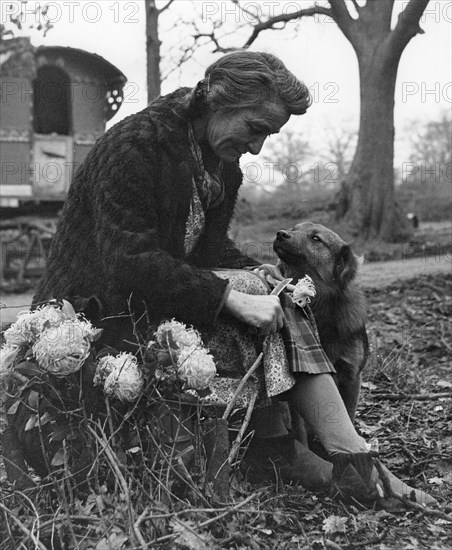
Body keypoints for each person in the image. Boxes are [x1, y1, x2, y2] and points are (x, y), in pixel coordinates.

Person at [33, 51, 435, 507]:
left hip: (153, 301)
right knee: (250, 299)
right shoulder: (136, 147)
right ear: (220, 100)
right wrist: (231, 296)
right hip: (91, 317)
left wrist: (253, 270)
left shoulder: (220, 163)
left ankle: (332, 458)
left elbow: (206, 252)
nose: (258, 146)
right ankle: (301, 455)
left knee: (272, 293)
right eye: (256, 128)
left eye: (269, 134)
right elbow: (129, 262)